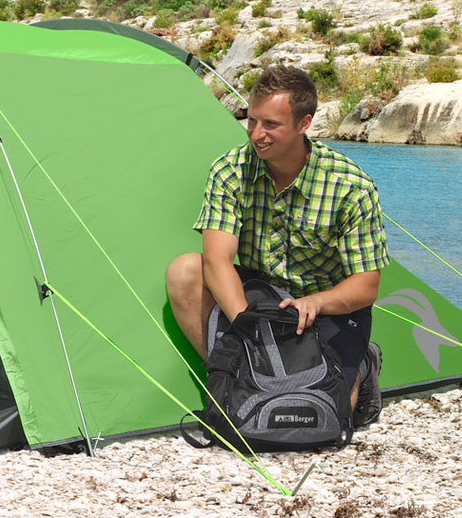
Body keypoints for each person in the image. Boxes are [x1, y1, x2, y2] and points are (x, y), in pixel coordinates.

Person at [165, 64, 391, 427]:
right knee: (184, 269)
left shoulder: (351, 185)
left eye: (271, 124)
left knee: (327, 421)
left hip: (327, 307)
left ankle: (362, 365)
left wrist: (316, 302)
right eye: (252, 120)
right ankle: (239, 379)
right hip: (260, 300)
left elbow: (366, 286)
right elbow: (217, 260)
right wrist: (245, 324)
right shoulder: (230, 171)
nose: (257, 134)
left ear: (304, 124)